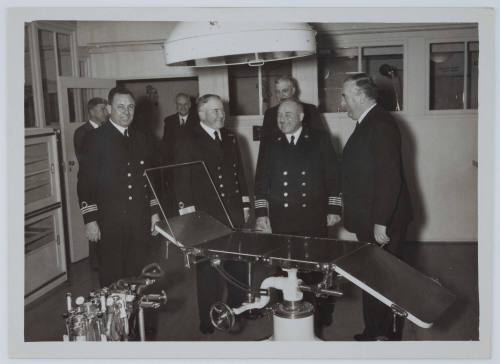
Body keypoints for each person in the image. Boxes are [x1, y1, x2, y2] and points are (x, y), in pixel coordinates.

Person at [254, 98, 342, 339]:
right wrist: (261, 214)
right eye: (280, 115)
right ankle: (287, 322)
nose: (282, 120)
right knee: (284, 273)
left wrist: (334, 208)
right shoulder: (270, 141)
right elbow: (261, 180)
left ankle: (318, 319)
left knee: (313, 273)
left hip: (312, 218)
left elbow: (334, 177)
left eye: (288, 115)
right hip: (282, 220)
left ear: (302, 117)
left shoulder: (319, 139)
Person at [340, 73, 413, 341]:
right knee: (373, 276)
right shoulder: (367, 122)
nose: (343, 102)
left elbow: (389, 177)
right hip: (370, 217)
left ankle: (389, 336)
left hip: (382, 221)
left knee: (387, 279)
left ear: (360, 96)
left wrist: (381, 221)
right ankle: (373, 329)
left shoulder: (380, 123)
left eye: (345, 96)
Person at [174, 94, 251, 335]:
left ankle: (238, 310)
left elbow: (240, 173)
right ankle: (208, 319)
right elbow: (182, 179)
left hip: (233, 213)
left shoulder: (230, 137)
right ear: (201, 114)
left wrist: (245, 203)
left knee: (237, 264)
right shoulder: (187, 139)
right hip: (206, 216)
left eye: (222, 110)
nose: (221, 115)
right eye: (215, 111)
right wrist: (187, 212)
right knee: (208, 269)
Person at [77, 87, 161, 287]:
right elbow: (85, 181)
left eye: (130, 107)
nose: (126, 112)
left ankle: (138, 319)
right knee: (112, 279)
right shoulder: (95, 138)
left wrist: (154, 212)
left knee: (139, 277)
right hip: (110, 222)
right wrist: (90, 219)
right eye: (120, 107)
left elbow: (149, 179)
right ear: (108, 109)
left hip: (138, 219)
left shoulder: (141, 138)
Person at [73, 97, 108, 270]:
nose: (106, 112)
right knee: (95, 228)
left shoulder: (106, 129)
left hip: (106, 188)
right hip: (92, 188)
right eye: (102, 109)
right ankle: (97, 267)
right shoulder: (82, 132)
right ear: (92, 111)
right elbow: (86, 163)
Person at [161, 93, 199, 216]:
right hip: (173, 170)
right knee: (175, 205)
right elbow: (165, 146)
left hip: (191, 169)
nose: (182, 107)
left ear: (190, 105)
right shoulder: (169, 121)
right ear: (176, 105)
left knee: (191, 204)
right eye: (179, 104)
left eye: (185, 104)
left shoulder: (198, 120)